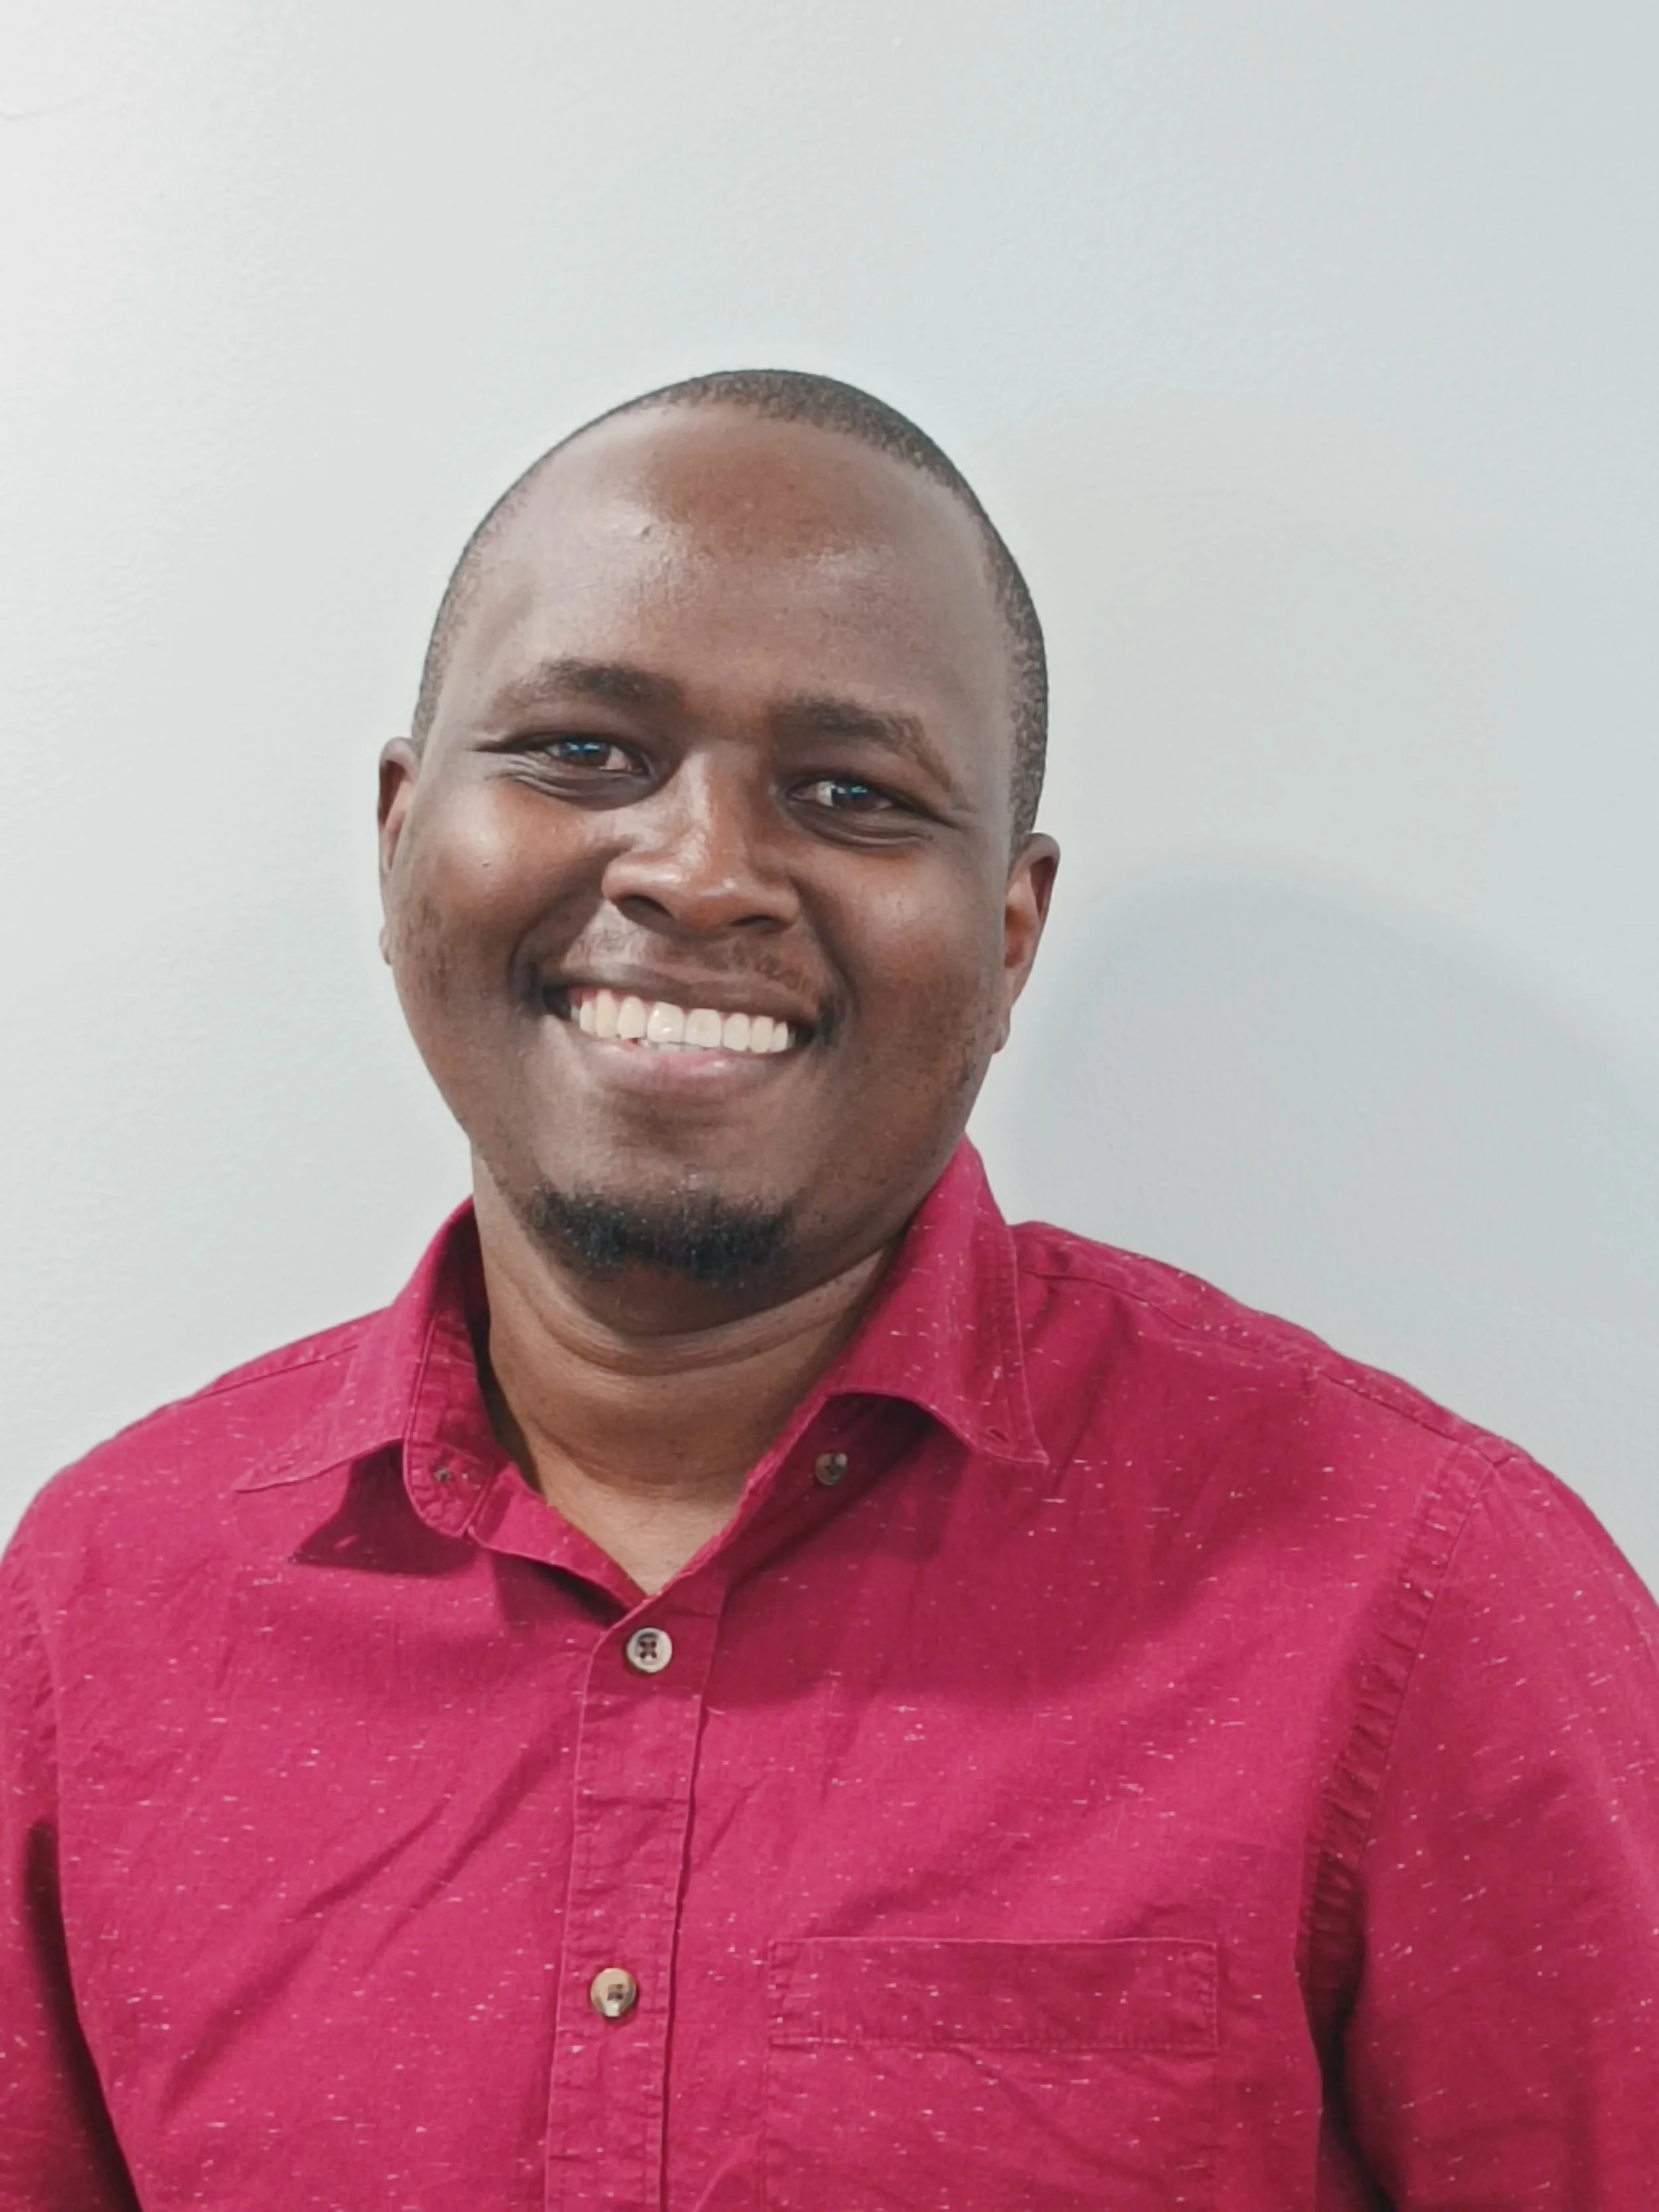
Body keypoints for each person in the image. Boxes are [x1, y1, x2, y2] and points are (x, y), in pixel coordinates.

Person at [3, 369, 1656, 2212]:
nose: (700, 871)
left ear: (1008, 934)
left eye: (851, 793)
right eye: (582, 750)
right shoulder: (99, 1608)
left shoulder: (1417, 1594)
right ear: (400, 836)